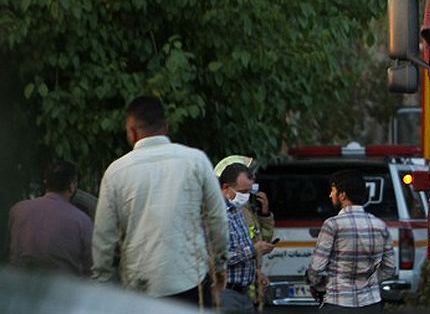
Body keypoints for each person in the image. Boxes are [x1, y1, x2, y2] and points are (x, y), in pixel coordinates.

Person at [92, 95, 229, 303]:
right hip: (191, 282)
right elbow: (218, 219)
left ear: (131, 131)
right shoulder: (196, 161)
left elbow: (104, 238)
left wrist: (102, 282)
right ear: (166, 127)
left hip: (140, 288)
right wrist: (220, 265)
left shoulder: (116, 173)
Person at [306, 170, 397, 312]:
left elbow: (317, 268)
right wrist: (369, 281)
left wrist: (315, 283)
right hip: (371, 304)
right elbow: (390, 268)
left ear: (343, 195)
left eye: (333, 191)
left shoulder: (332, 225)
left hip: (338, 303)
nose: (330, 195)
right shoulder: (379, 226)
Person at [8, 158, 93, 276]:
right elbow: (90, 267)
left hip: (21, 288)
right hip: (65, 290)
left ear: (45, 181)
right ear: (72, 186)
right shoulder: (82, 221)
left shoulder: (18, 210)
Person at [218, 162, 275, 312]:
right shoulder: (216, 215)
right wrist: (253, 250)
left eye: (249, 191)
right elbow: (219, 256)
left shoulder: (237, 211)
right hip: (225, 293)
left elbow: (241, 246)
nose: (246, 196)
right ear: (225, 188)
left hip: (245, 293)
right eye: (242, 191)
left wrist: (255, 273)